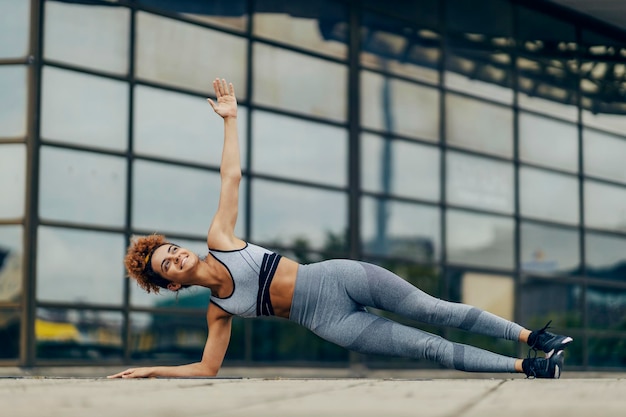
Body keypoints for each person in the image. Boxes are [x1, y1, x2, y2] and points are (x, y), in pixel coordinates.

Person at [108, 78, 572, 380]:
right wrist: (152, 372)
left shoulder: (219, 242)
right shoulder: (217, 310)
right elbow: (208, 368)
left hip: (335, 277)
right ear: (168, 281)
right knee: (426, 348)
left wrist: (231, 120)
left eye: (170, 248)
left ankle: (536, 338)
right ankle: (530, 367)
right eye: (166, 263)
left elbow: (231, 177)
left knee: (435, 310)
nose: (175, 255)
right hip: (330, 322)